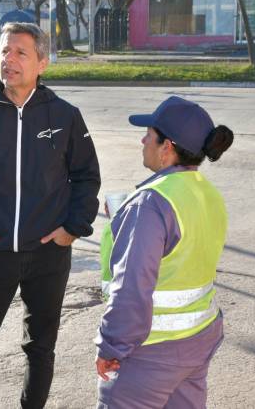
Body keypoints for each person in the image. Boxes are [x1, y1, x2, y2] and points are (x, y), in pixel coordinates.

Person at [0, 22, 101, 408]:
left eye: (20, 53)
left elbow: (86, 177)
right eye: (4, 51)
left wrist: (72, 229)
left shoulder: (64, 116)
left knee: (40, 350)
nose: (8, 60)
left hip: (49, 256)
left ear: (42, 63)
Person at [95, 96, 234, 409]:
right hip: (197, 340)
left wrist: (111, 347)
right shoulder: (206, 193)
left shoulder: (150, 203)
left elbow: (131, 289)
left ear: (167, 147)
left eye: (149, 134)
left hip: (149, 355)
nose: (143, 140)